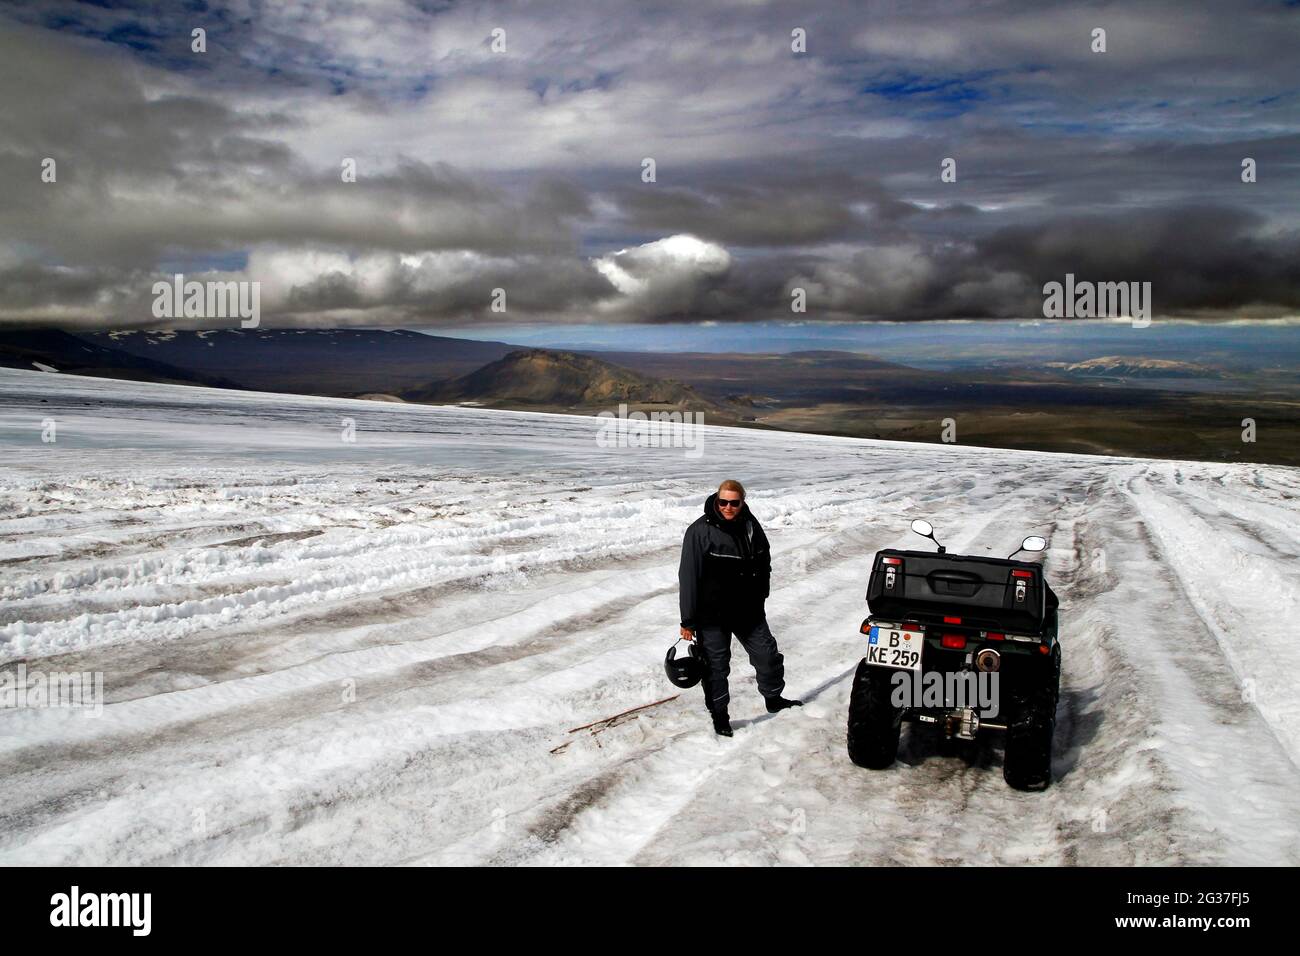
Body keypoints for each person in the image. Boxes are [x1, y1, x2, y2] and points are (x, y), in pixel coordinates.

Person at [678, 479, 801, 737]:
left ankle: (773, 698)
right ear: (716, 500)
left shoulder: (750, 524)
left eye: (734, 502)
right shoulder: (699, 532)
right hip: (712, 615)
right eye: (723, 502)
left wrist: (761, 594)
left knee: (768, 656)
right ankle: (720, 716)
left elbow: (764, 557)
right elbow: (688, 577)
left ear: (742, 502)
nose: (728, 507)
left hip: (748, 611)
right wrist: (687, 621)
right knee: (716, 667)